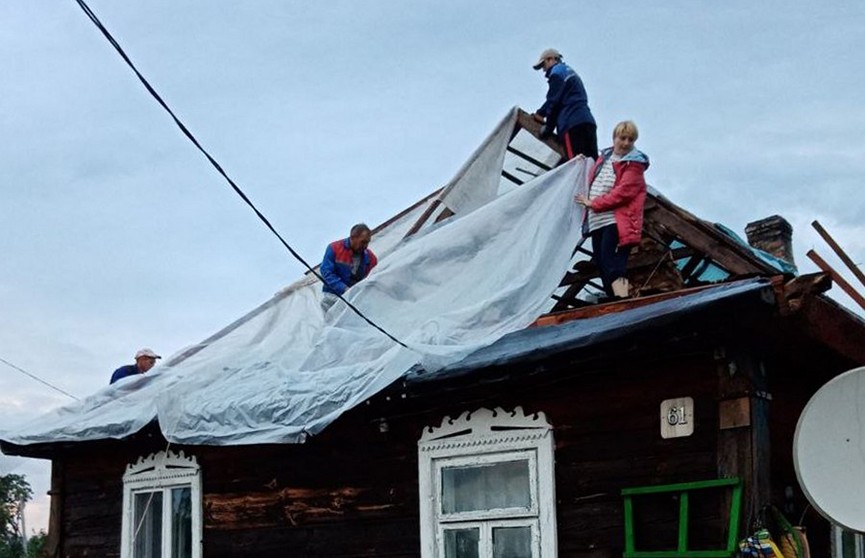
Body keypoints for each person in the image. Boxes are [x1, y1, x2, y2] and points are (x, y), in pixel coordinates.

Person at [575, 120, 649, 299]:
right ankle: (613, 298)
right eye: (622, 138)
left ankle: (622, 300)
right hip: (597, 221)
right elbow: (592, 176)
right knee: (601, 262)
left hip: (616, 220)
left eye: (630, 140)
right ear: (614, 138)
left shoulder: (634, 165)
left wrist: (593, 203)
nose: (625, 143)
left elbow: (623, 193)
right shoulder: (605, 158)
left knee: (613, 261)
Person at [531, 48, 598, 160]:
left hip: (571, 125)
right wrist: (542, 113)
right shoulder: (571, 73)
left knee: (577, 165)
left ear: (551, 59)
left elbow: (554, 102)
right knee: (592, 166)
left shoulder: (556, 73)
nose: (543, 70)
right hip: (588, 122)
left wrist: (547, 128)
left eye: (543, 65)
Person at [320, 223, 378, 312]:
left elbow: (372, 279)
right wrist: (344, 289)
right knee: (331, 320)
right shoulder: (334, 248)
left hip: (355, 299)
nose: (366, 246)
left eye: (368, 242)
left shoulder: (371, 258)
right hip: (333, 296)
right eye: (363, 242)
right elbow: (327, 273)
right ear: (352, 237)